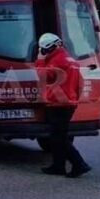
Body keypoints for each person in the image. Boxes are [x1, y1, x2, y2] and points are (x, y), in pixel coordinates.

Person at [36, 33, 91, 178]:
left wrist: (40, 61)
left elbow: (43, 76)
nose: (42, 52)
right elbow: (80, 83)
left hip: (58, 104)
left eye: (43, 50)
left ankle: (79, 164)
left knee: (60, 138)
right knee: (57, 136)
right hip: (68, 103)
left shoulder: (56, 61)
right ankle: (58, 166)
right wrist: (74, 100)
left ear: (46, 49)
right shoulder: (70, 59)